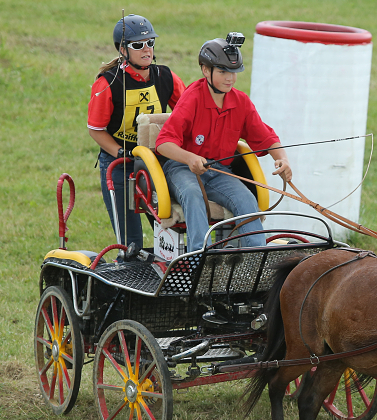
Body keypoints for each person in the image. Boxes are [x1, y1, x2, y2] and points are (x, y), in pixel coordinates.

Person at [156, 33, 292, 251]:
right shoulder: (192, 98)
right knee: (193, 194)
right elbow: (164, 143)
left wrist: (282, 159)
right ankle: (200, 259)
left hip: (219, 171)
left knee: (247, 200)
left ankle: (255, 260)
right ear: (205, 70)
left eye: (233, 72)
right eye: (222, 71)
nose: (229, 78)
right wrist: (190, 158)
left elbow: (267, 137)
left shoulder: (241, 102)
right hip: (182, 168)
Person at [87, 14, 186, 252]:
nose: (147, 49)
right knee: (130, 242)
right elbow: (96, 130)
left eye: (150, 43)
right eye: (138, 45)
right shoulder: (108, 83)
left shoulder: (165, 77)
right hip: (119, 164)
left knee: (171, 228)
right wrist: (122, 152)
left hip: (155, 162)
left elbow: (186, 113)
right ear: (123, 49)